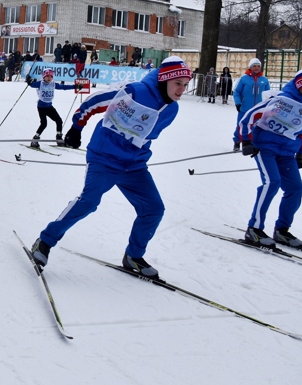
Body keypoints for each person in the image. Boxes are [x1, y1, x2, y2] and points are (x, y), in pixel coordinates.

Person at [29, 57, 192, 279]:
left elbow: (145, 135)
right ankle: (44, 242)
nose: (182, 89)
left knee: (153, 209)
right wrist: (77, 127)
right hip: (105, 158)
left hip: (134, 166)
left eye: (185, 84)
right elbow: (96, 101)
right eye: (178, 84)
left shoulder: (172, 109)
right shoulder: (136, 91)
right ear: (165, 80)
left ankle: (133, 256)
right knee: (89, 202)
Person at [237, 68, 302, 249]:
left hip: (287, 153)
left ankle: (282, 230)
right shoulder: (281, 100)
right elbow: (249, 116)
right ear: (301, 85)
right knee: (272, 182)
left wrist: (300, 153)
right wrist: (246, 140)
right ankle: (254, 228)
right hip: (265, 147)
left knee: (296, 188)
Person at [26, 68, 77, 147]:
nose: (49, 78)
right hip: (41, 107)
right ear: (44, 76)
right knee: (44, 124)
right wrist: (29, 80)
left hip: (49, 107)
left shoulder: (53, 84)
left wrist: (75, 86)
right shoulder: (40, 83)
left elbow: (64, 87)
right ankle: (35, 139)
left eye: (51, 76)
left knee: (59, 121)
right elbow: (32, 84)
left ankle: (59, 138)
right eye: (47, 76)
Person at [232, 58, 271, 151]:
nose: (256, 68)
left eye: (258, 66)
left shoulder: (264, 80)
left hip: (259, 108)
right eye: (254, 66)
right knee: (241, 124)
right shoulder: (244, 78)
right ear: (250, 67)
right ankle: (237, 141)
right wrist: (238, 103)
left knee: (256, 125)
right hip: (245, 107)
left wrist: (268, 105)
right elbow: (236, 92)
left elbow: (268, 94)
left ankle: (250, 143)